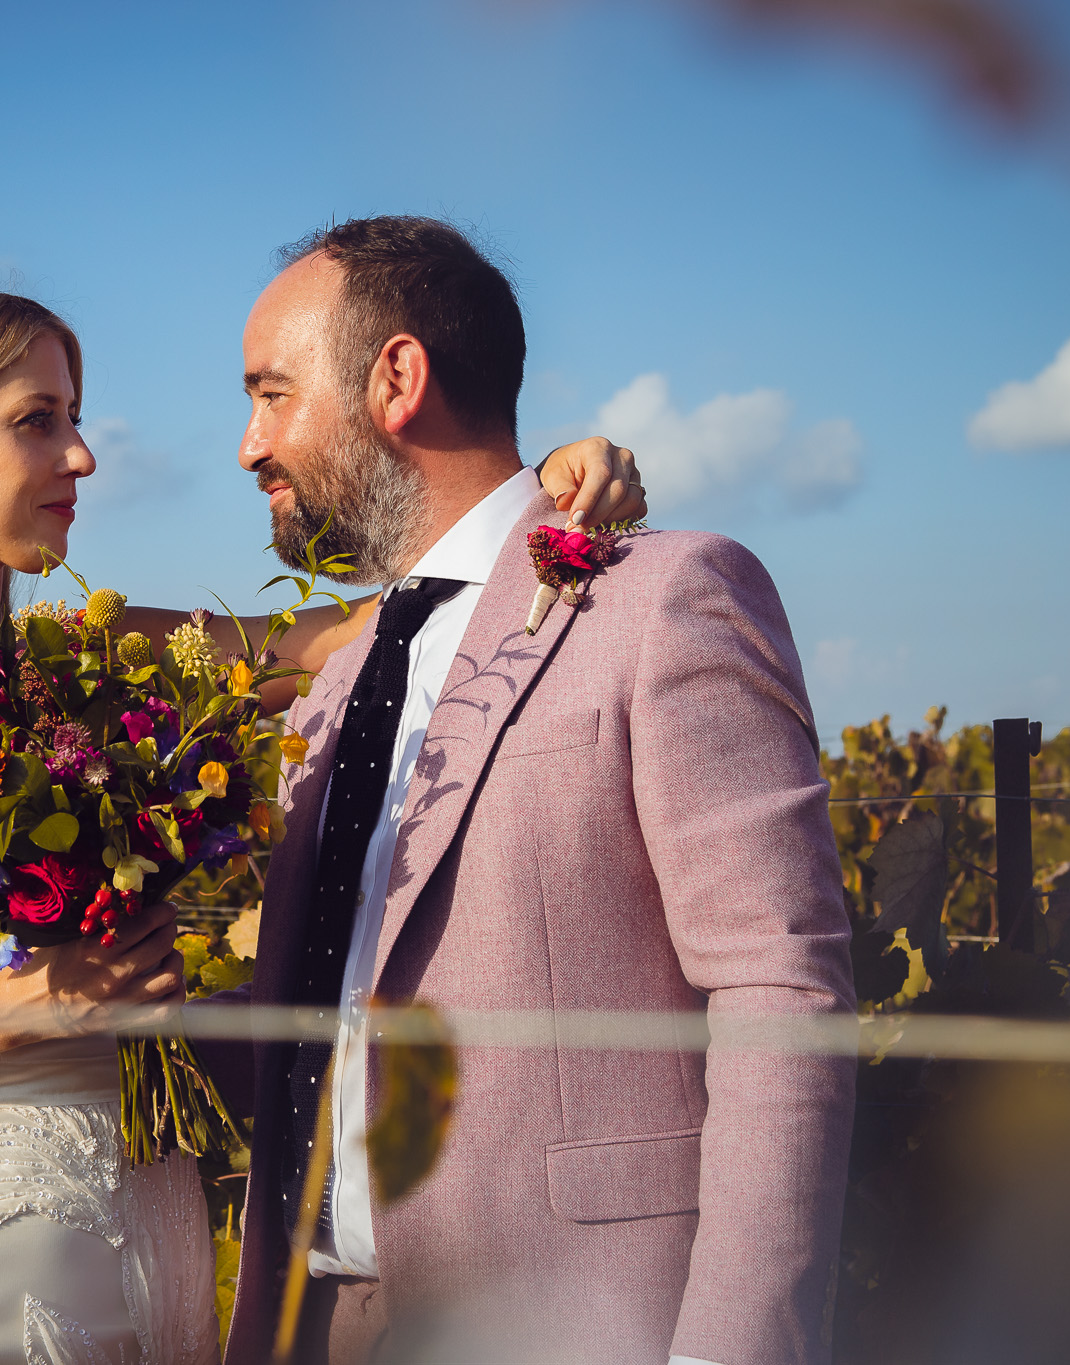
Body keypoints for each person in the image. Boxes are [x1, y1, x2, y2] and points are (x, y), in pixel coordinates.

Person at [0, 287, 647, 1365]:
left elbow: (361, 632)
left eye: (74, 417)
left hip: (148, 1246)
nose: (83, 457)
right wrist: (23, 1009)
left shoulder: (97, 660)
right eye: (38, 420)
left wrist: (543, 490)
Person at [217, 218, 855, 1365]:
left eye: (271, 394)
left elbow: (779, 989)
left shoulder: (660, 601)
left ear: (396, 380)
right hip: (311, 1320)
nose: (247, 444)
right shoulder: (345, 665)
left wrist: (727, 1352)